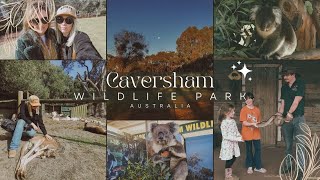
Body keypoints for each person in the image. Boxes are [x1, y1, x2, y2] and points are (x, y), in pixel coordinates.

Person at [278, 68, 305, 176]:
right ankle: (288, 165)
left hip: (298, 119)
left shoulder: (300, 84)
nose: (284, 77)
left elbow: (296, 101)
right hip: (286, 121)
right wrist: (279, 115)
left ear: (293, 74)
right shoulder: (284, 87)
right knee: (288, 145)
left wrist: (289, 113)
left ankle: (300, 170)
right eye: (283, 75)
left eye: (286, 75)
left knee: (300, 145)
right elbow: (283, 104)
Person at [240, 92, 267, 174]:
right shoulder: (244, 109)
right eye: (247, 99)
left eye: (250, 98)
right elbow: (244, 122)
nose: (248, 100)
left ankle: (258, 167)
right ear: (245, 100)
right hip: (247, 133)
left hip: (256, 133)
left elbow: (258, 122)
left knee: (258, 149)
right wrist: (252, 124)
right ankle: (250, 166)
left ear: (253, 99)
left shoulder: (257, 110)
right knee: (249, 150)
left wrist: (260, 124)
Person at [219, 103, 243, 180]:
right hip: (227, 144)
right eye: (232, 111)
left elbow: (236, 131)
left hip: (234, 144)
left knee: (234, 157)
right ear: (226, 113)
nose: (234, 112)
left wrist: (240, 137)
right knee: (229, 159)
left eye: (234, 111)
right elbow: (225, 136)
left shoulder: (233, 121)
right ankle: (228, 175)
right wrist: (237, 139)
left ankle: (229, 173)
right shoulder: (223, 123)